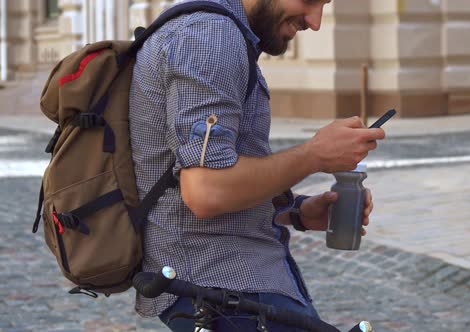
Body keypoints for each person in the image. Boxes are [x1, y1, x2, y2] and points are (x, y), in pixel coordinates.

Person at [129, 0, 385, 330]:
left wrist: (298, 212)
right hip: (220, 289)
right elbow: (207, 191)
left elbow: (199, 183)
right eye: (309, 1)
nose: (315, 21)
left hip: (232, 287)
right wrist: (314, 154)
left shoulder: (226, 34)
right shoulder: (210, 37)